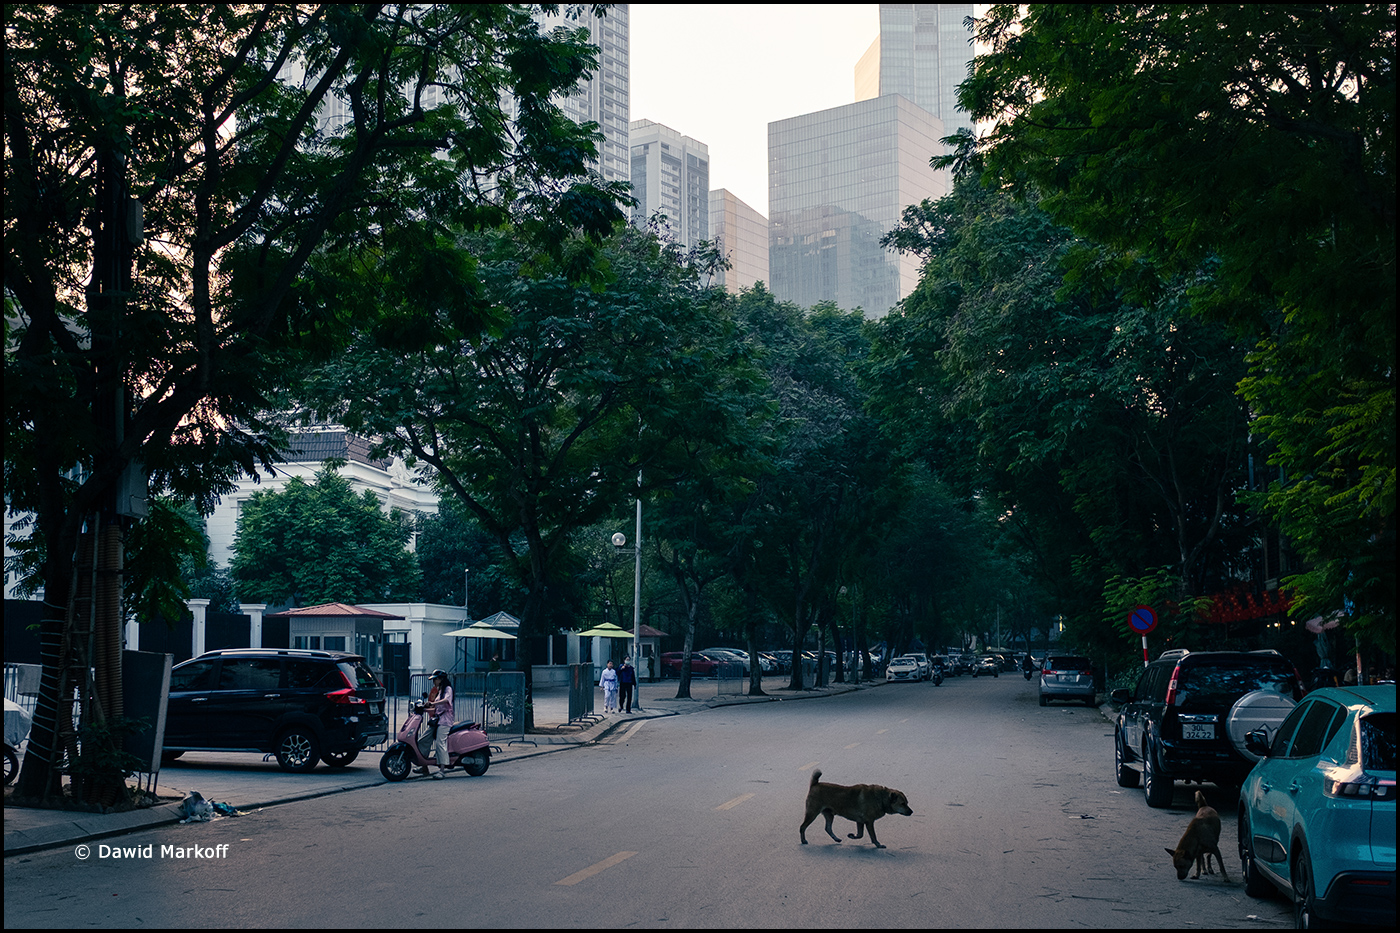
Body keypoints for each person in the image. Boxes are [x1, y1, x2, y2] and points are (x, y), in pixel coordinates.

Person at [427, 669, 454, 779]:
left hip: (445, 720)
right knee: (425, 739)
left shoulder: (448, 689)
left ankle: (442, 770)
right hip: (438, 719)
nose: (434, 681)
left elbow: (446, 701)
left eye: (435, 679)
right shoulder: (439, 690)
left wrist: (433, 703)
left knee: (440, 743)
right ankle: (424, 766)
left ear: (441, 679)